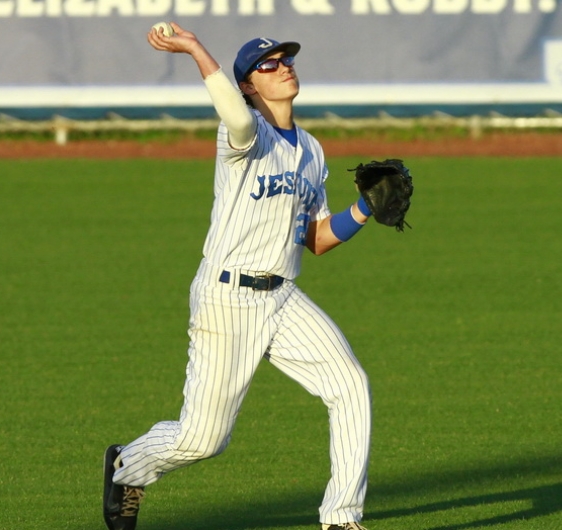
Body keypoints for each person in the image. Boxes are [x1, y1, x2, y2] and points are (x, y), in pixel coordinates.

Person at [103, 22, 374, 530]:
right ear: (248, 85)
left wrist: (364, 209)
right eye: (269, 64)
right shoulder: (245, 135)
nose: (284, 67)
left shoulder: (311, 150)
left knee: (350, 385)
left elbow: (316, 238)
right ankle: (127, 465)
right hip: (227, 297)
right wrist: (194, 48)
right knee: (203, 440)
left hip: (283, 297)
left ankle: (341, 517)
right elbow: (234, 113)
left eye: (287, 59)